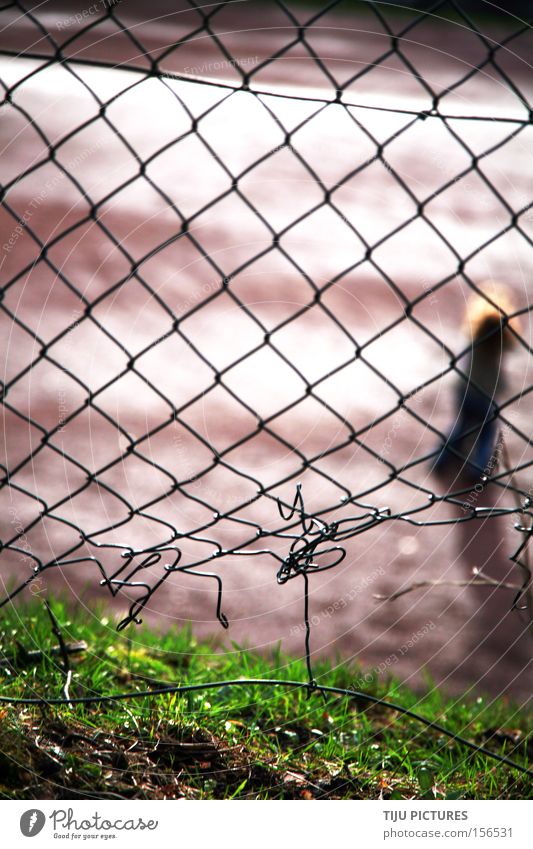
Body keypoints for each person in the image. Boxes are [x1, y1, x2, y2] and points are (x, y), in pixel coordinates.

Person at [433, 283, 519, 479]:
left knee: (460, 426)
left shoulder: (473, 339)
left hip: (464, 391)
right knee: (487, 432)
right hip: (486, 396)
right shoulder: (499, 346)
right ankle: (478, 469)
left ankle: (440, 460)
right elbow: (502, 373)